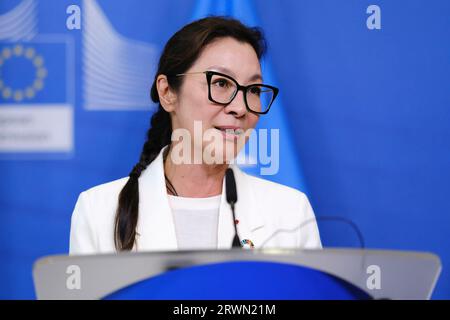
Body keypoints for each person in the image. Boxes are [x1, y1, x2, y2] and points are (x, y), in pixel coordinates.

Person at [69, 16, 321, 255]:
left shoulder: (290, 212)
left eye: (253, 89)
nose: (241, 108)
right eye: (221, 83)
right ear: (167, 92)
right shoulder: (99, 211)